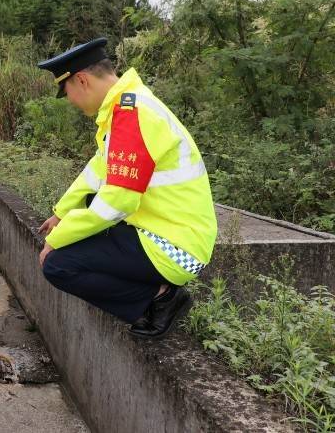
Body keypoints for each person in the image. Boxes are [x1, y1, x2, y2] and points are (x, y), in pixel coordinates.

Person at [35, 38, 217, 338]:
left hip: (174, 245)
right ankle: (153, 293)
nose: (70, 101)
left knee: (58, 265)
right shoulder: (126, 105)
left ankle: (161, 297)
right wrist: (61, 213)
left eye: (67, 93)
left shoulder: (132, 114)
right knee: (72, 242)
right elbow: (96, 171)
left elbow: (117, 202)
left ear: (81, 80)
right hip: (160, 229)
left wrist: (58, 238)